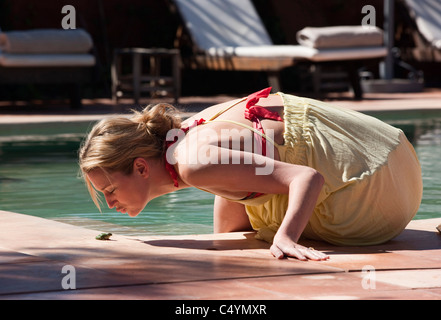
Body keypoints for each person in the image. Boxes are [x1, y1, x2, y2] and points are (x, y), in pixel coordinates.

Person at [79, 88, 422, 261]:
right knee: (238, 233)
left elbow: (307, 178)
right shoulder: (185, 138)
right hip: (395, 162)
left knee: (271, 230)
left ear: (140, 167)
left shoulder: (194, 162)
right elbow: (232, 199)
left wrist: (285, 238)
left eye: (109, 190)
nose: (110, 204)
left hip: (372, 194)